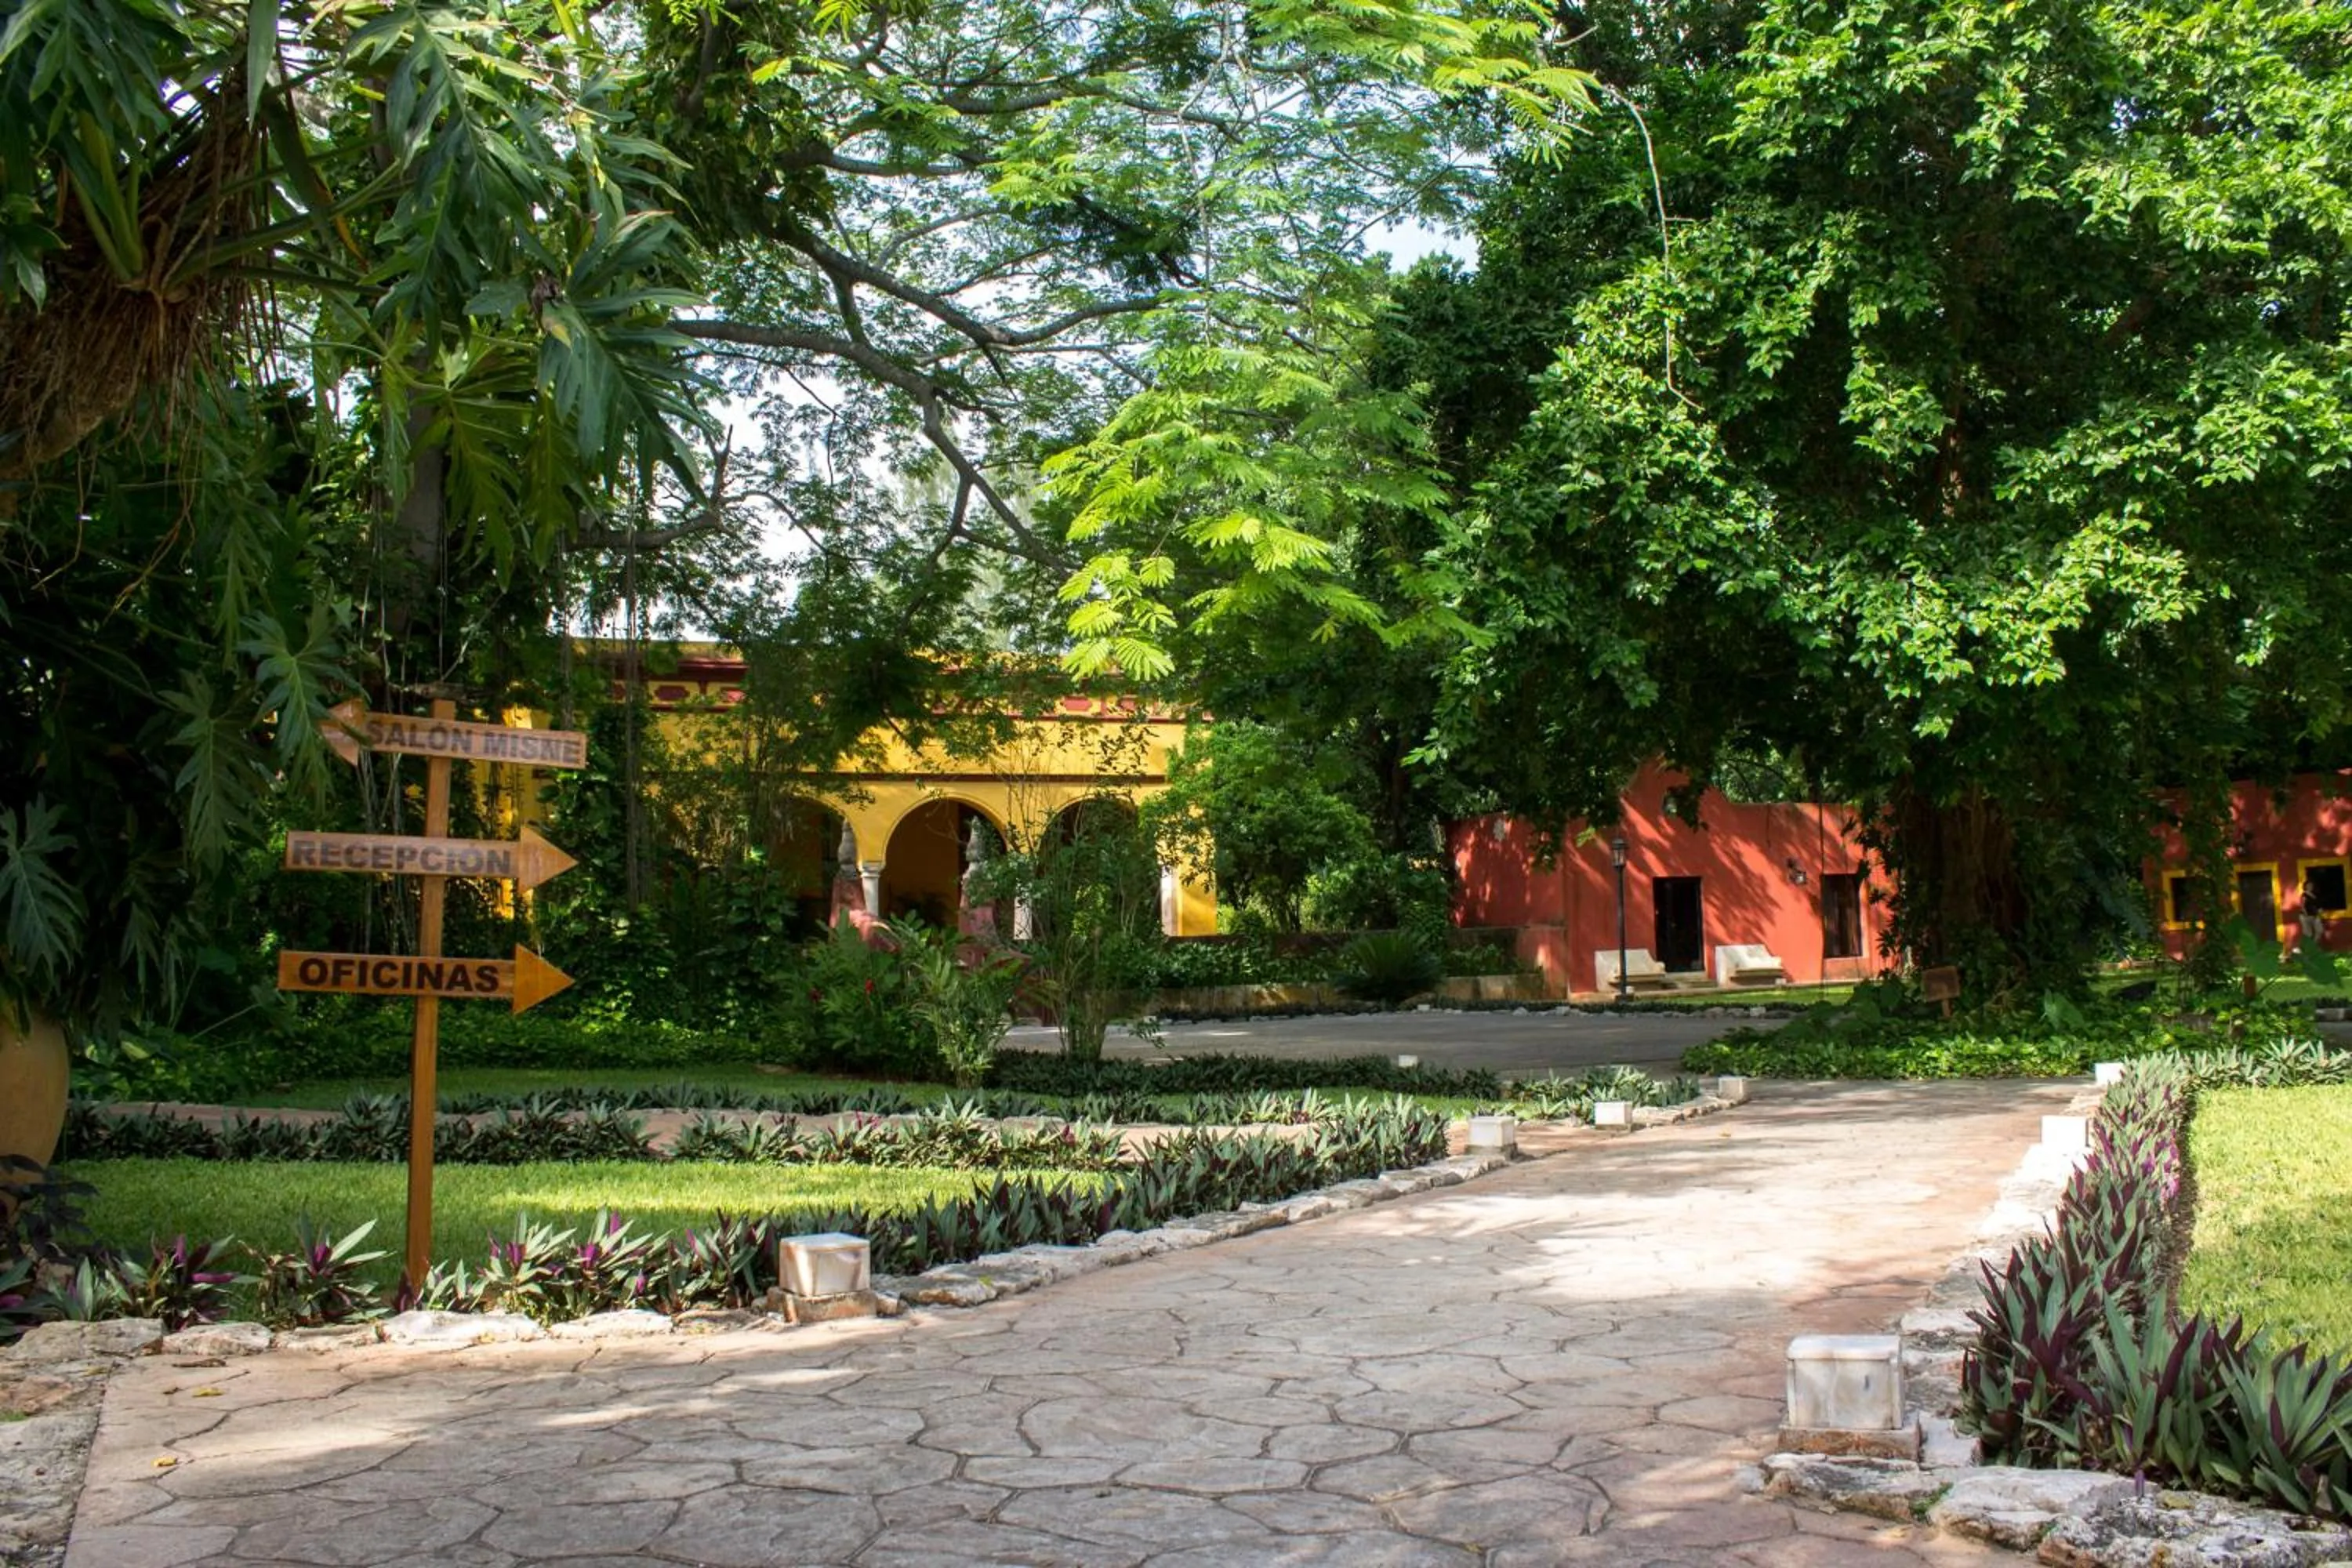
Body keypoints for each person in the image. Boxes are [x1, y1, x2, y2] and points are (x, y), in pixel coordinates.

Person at [2297, 875, 2325, 958]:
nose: (2310, 887)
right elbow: (2302, 906)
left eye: (2312, 885)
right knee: (2308, 934)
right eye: (2309, 885)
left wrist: (2320, 910)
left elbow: (2318, 905)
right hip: (2305, 917)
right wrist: (2306, 915)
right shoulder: (2304, 895)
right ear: (2305, 886)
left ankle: (2313, 947)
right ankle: (2306, 952)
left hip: (2315, 916)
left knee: (2320, 931)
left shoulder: (2315, 895)